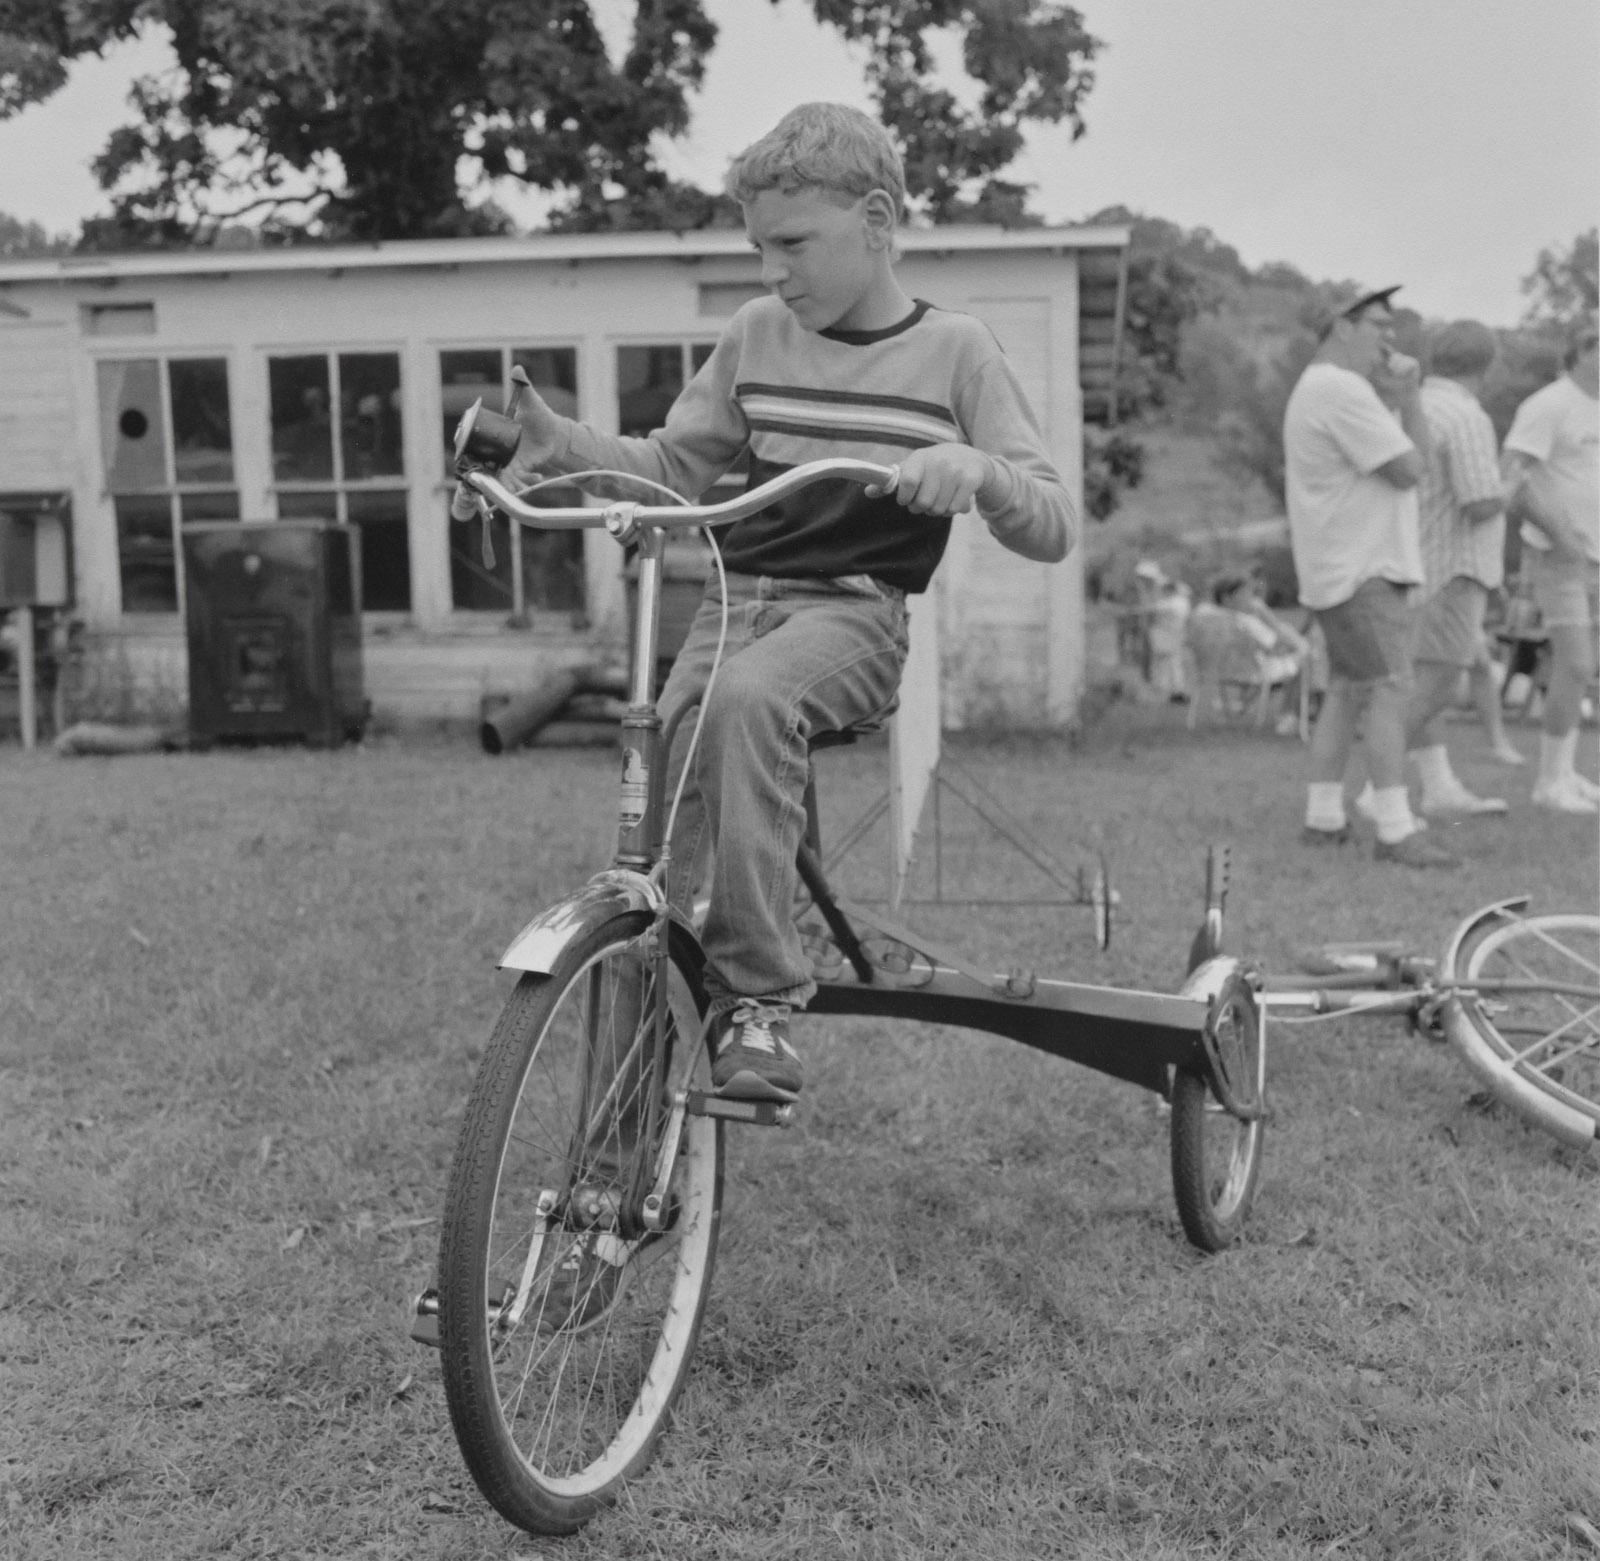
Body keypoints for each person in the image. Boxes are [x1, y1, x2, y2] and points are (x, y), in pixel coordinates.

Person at [455, 102, 1073, 1102]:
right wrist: (559, 444)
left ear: (876, 222)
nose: (773, 271)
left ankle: (759, 1002)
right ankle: (627, 1101)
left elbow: (1049, 519)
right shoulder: (756, 334)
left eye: (794, 244)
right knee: (661, 834)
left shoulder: (956, 353)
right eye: (758, 248)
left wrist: (978, 472)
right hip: (733, 602)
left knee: (748, 702)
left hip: (852, 618)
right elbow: (672, 470)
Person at [1282, 285, 1457, 867]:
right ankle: (1395, 830)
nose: (1390, 336)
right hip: (1365, 569)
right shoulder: (1341, 389)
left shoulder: (1324, 388)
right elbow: (1414, 469)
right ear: (1343, 326)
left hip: (1338, 566)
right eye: (1379, 324)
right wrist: (1409, 398)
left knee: (1347, 690)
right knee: (1388, 691)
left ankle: (1324, 817)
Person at [1399, 318, 1510, 814]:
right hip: (1453, 567)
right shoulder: (1467, 417)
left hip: (1413, 558)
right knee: (1437, 683)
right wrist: (1514, 484)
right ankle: (1376, 789)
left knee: (1420, 678)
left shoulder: (1417, 404)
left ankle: (1439, 785)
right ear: (1489, 364)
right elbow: (1480, 502)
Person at [1501, 317, 1600, 813]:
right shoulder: (1548, 405)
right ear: (1583, 351)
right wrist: (1560, 535)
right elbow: (1513, 476)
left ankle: (1564, 772)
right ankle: (1547, 783)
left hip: (1596, 557)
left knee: (1585, 669)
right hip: (1558, 552)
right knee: (1575, 662)